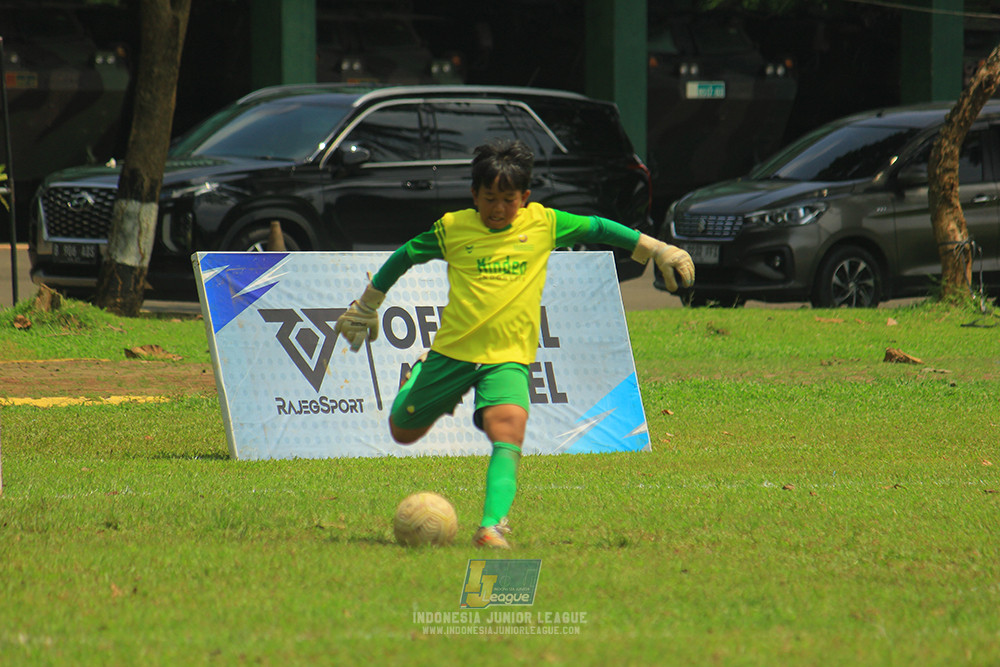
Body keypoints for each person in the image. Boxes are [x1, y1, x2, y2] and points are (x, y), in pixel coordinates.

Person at [334, 139, 694, 549]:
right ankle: (419, 369)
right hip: (452, 353)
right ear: (474, 195)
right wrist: (369, 303)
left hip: (507, 359)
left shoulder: (545, 223)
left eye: (508, 199)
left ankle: (491, 527)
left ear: (524, 198)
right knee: (403, 431)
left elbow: (597, 226)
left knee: (509, 428)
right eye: (489, 198)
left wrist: (656, 247)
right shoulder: (453, 228)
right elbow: (404, 256)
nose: (499, 209)